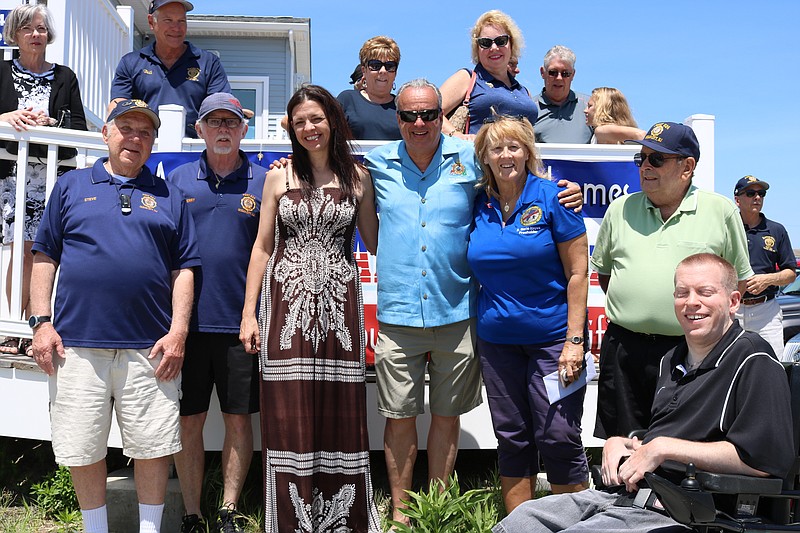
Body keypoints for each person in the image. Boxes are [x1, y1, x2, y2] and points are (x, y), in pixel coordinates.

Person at [364, 78, 584, 525]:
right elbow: (322, 166)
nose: (420, 122)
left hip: (460, 314)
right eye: (410, 115)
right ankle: (406, 517)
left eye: (429, 114)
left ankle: (440, 511)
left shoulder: (472, 160)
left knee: (461, 419)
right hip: (404, 313)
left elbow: (575, 264)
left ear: (442, 117)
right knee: (405, 418)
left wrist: (570, 190)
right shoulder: (374, 163)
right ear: (398, 118)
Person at [494, 253, 794, 533]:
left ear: (733, 302)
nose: (691, 302)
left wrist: (663, 448)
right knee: (520, 522)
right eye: (682, 293)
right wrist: (622, 442)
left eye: (705, 292)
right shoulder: (672, 359)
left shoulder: (753, 359)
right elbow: (664, 435)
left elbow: (762, 460)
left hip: (686, 511)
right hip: (625, 495)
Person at [29, 99, 200, 533]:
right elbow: (45, 256)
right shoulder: (70, 186)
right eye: (126, 127)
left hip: (151, 347)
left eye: (145, 132)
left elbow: (184, 268)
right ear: (106, 133)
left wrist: (179, 330)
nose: (135, 138)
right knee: (83, 444)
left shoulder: (171, 197)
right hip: (77, 344)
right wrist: (40, 323)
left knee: (153, 445)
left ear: (153, 142)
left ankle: (148, 529)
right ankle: (95, 529)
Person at [239, 85, 380, 532]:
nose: (308, 128)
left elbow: (374, 242)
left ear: (333, 121)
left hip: (340, 308)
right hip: (287, 307)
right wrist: (249, 313)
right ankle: (291, 518)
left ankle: (342, 517)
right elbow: (262, 248)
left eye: (316, 119)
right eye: (299, 122)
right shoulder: (278, 177)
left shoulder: (358, 178)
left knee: (341, 405)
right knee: (288, 407)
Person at [591, 122, 753, 440]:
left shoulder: (720, 211)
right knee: (623, 446)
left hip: (692, 351)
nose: (646, 167)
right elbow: (607, 276)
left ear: (687, 167)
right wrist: (641, 307)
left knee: (685, 446)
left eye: (657, 159)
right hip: (625, 351)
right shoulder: (619, 210)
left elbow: (737, 283)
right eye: (642, 159)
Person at [468, 114, 590, 512]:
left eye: (514, 146)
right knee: (511, 436)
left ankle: (573, 522)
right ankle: (521, 523)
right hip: (497, 343)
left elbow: (578, 272)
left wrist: (575, 341)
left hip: (554, 341)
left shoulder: (555, 196)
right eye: (496, 148)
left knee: (558, 435)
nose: (506, 155)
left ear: (528, 152)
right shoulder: (477, 203)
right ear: (484, 157)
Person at [167, 93, 268, 533]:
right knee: (187, 421)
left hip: (241, 325)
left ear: (243, 129)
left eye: (231, 122)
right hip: (186, 329)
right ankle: (191, 514)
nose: (223, 129)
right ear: (200, 130)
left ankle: (227, 511)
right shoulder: (176, 180)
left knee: (237, 420)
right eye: (214, 122)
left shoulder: (266, 181)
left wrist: (255, 315)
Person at [0, 3, 87, 356]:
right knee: (20, 251)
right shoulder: (1, 71)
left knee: (44, 253)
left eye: (41, 29)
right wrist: (6, 115)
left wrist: (53, 125)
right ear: (15, 35)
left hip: (54, 178)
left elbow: (80, 128)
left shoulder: (65, 76)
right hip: (14, 175)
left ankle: (36, 326)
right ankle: (13, 328)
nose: (36, 35)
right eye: (28, 29)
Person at [109, 0, 230, 138]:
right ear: (151, 22)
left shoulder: (208, 63)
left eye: (181, 21)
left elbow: (221, 107)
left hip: (194, 150)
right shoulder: (130, 63)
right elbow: (117, 106)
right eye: (168, 20)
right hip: (143, 147)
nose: (176, 28)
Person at [440, 10, 537, 140]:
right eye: (485, 42)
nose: (494, 48)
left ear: (511, 44)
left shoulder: (524, 91)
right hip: (477, 158)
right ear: (477, 48)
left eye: (501, 41)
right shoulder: (467, 78)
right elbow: (431, 112)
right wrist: (457, 136)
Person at [733, 175, 796, 358]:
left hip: (766, 311)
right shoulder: (727, 227)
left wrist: (768, 279)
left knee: (772, 365)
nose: (757, 197)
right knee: (728, 368)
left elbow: (791, 273)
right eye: (751, 193)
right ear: (737, 200)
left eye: (761, 193)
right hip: (732, 310)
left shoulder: (776, 230)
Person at [336, 36, 401, 140]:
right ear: (364, 70)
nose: (383, 71)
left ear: (395, 73)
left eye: (390, 66)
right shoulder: (347, 100)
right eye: (375, 65)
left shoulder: (402, 107)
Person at [533, 45, 592, 144]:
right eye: (553, 72)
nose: (559, 78)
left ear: (573, 75)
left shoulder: (590, 107)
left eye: (565, 73)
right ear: (542, 73)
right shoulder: (529, 109)